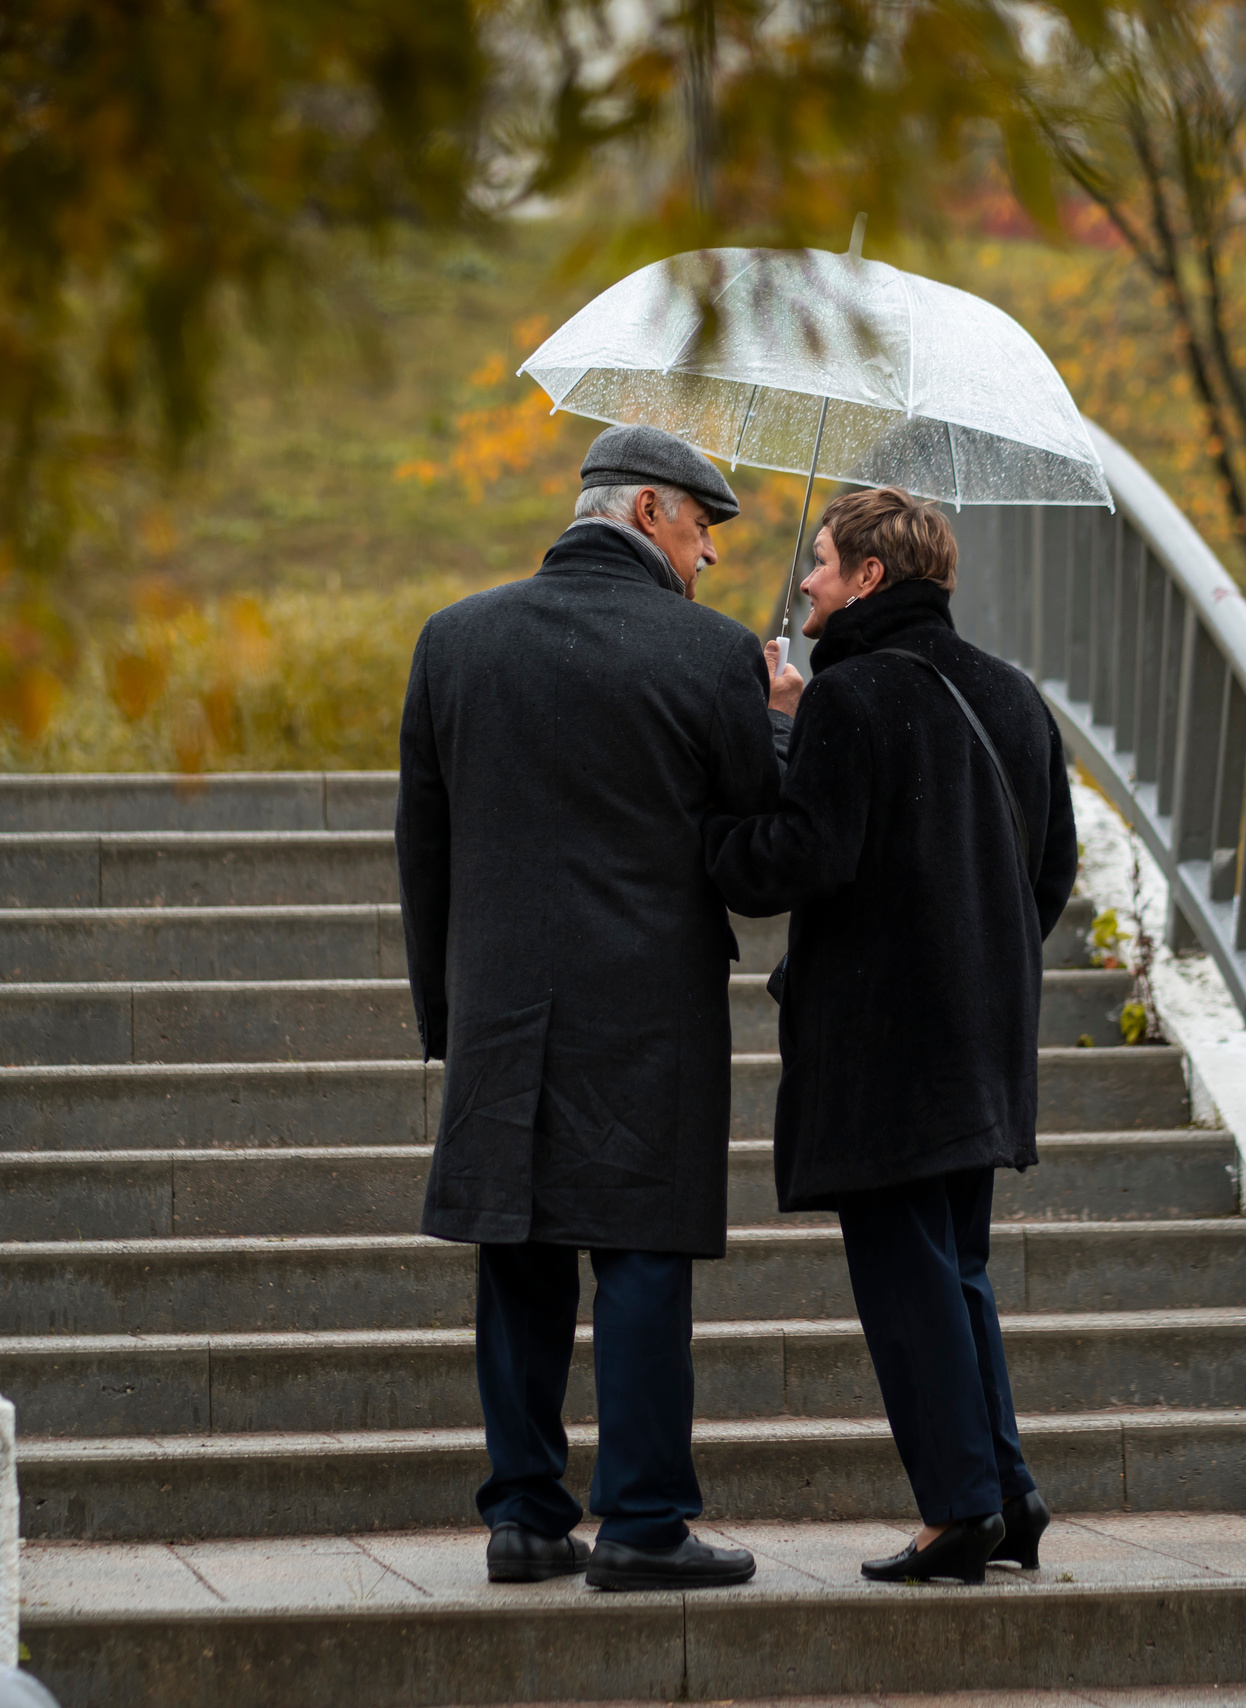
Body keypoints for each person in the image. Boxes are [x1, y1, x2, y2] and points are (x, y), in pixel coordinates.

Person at [396, 422, 790, 1593]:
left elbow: (426, 847)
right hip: (649, 1010)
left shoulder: (454, 639)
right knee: (640, 1260)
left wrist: (446, 1014)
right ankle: (644, 1524)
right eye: (703, 527)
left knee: (517, 1259)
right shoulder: (710, 653)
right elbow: (750, 867)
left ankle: (523, 1518)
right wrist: (772, 723)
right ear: (647, 512)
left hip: (501, 1008)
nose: (711, 557)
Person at [702, 486, 1078, 1586]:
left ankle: (959, 1507)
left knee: (906, 1278)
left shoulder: (850, 696)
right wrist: (980, 961)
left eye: (819, 561)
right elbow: (1048, 870)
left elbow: (798, 859)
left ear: (869, 577)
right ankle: (1007, 1492)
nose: (805, 579)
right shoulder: (1014, 697)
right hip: (981, 1038)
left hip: (882, 1047)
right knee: (956, 1265)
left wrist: (754, 769)